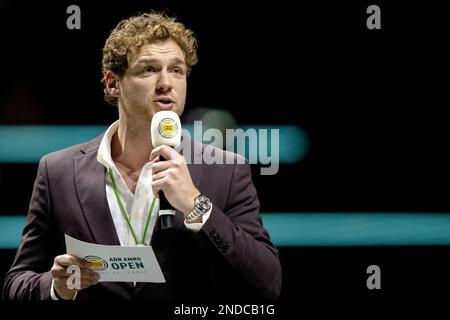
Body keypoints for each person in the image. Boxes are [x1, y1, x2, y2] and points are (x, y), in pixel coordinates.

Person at [2, 12, 281, 301]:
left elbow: (267, 282)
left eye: (177, 70)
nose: (166, 83)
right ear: (112, 83)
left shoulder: (226, 170)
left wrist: (196, 205)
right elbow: (16, 283)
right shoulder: (57, 171)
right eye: (149, 69)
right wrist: (56, 286)